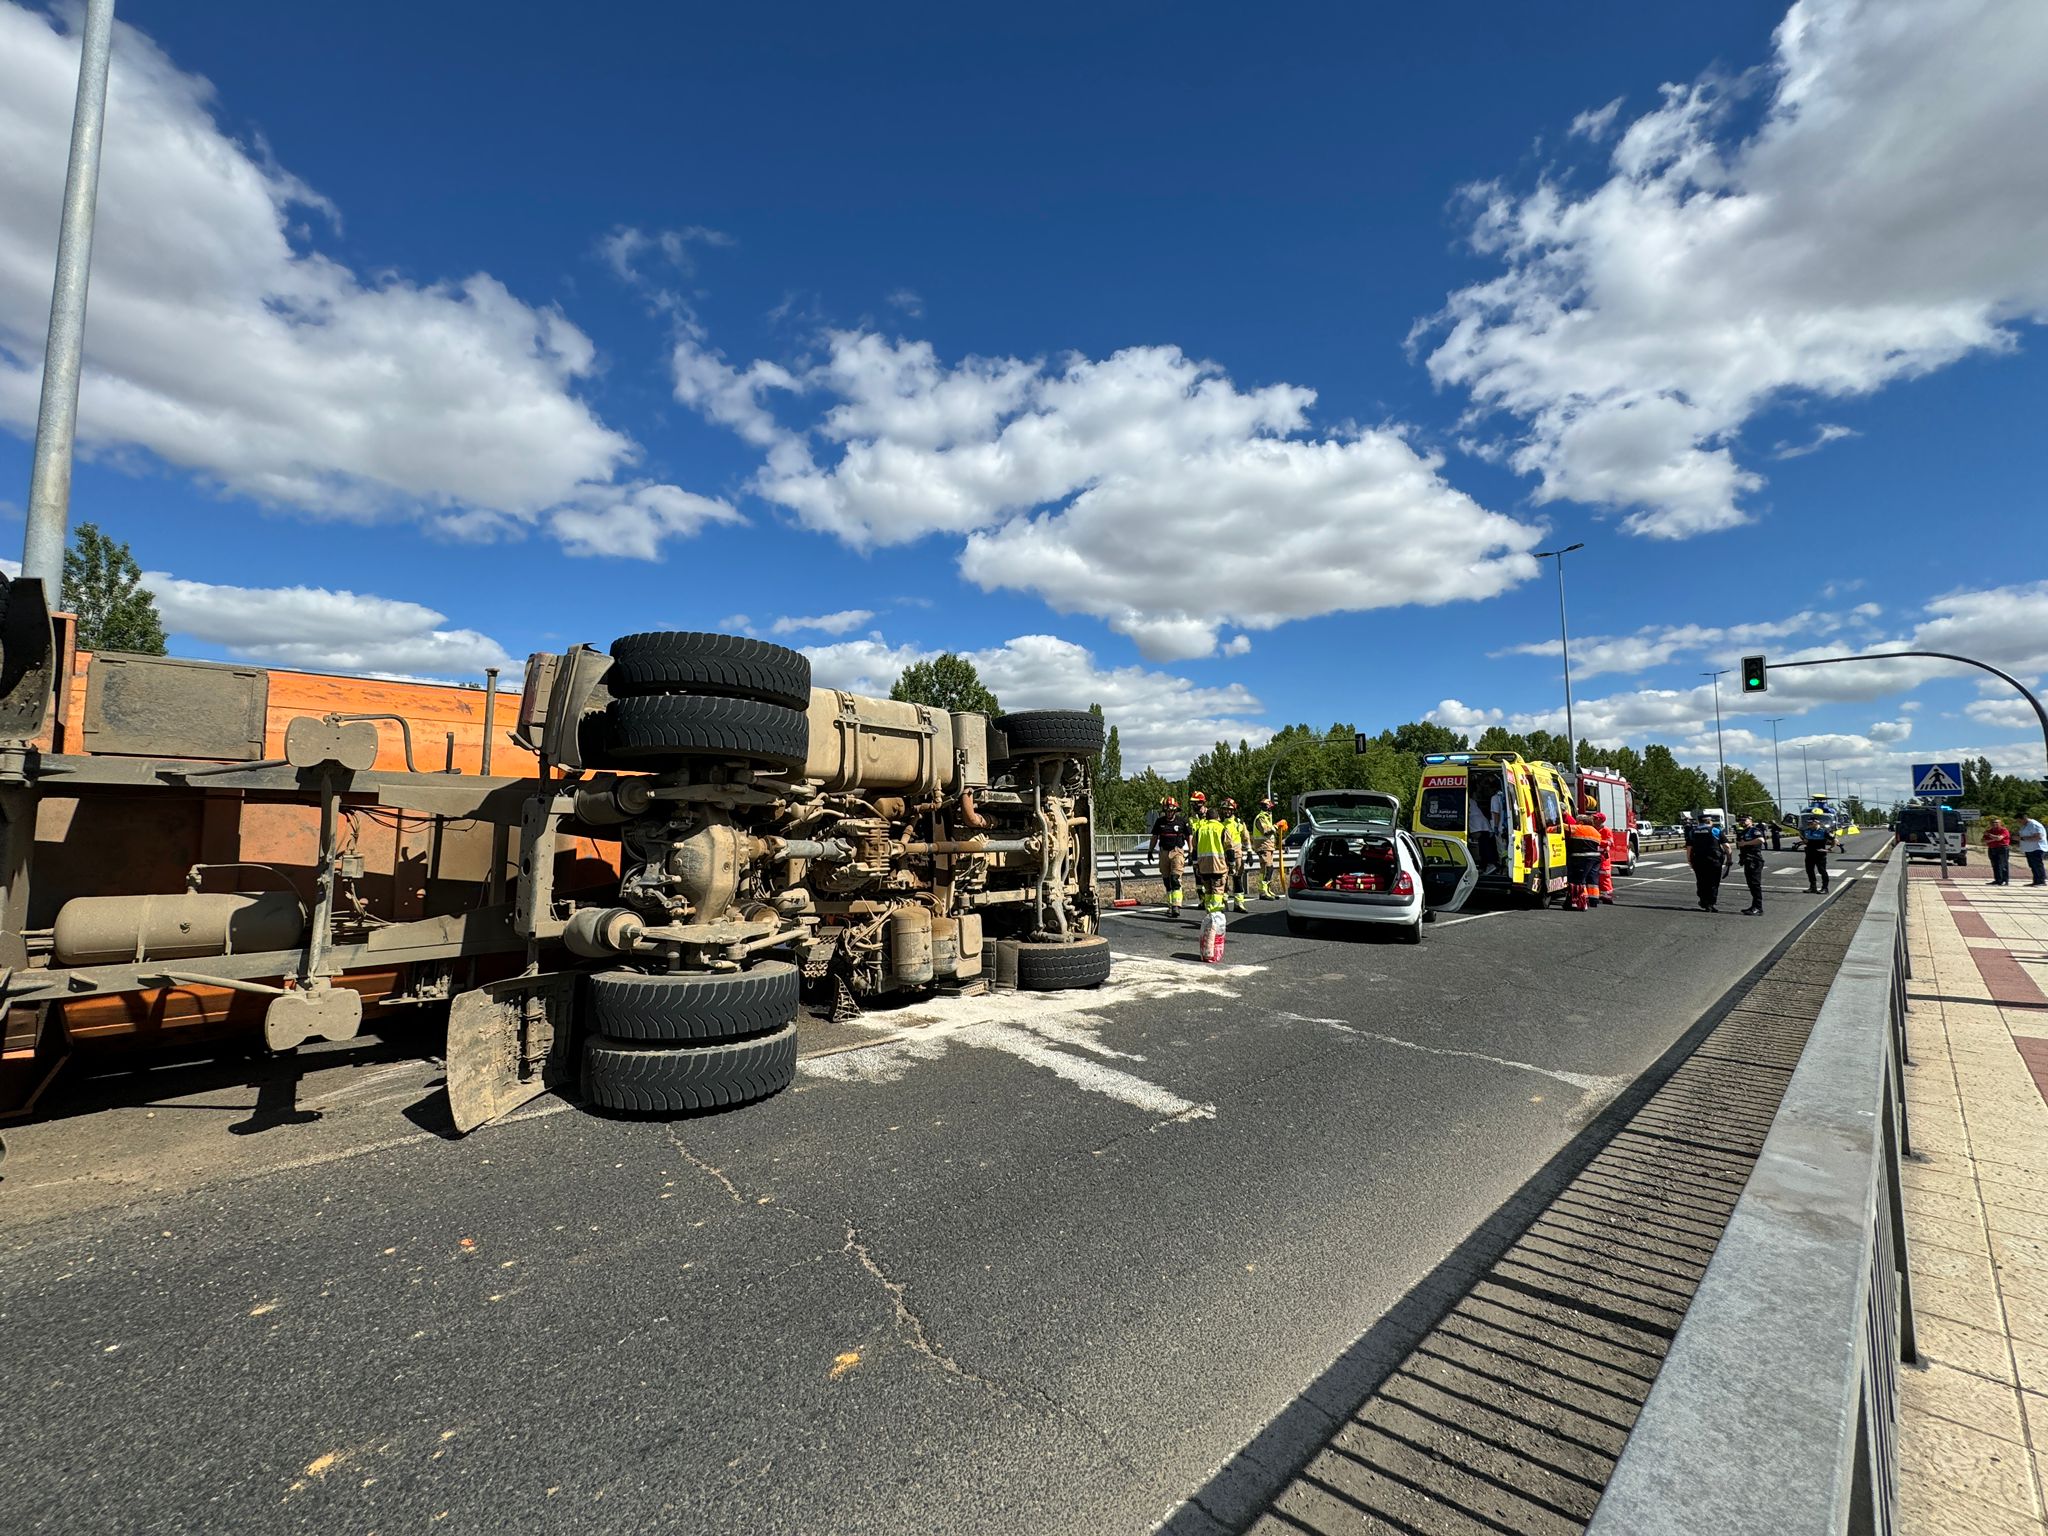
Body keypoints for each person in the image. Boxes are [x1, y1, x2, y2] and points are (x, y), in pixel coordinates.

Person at [1147, 796, 1191, 918]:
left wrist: (1191, 851)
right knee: (1167, 880)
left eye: (1171, 811)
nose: (1169, 813)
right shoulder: (1160, 822)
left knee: (1175, 878)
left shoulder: (1181, 822)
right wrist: (1150, 851)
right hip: (1163, 852)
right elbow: (1155, 837)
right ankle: (1170, 905)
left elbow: (1189, 837)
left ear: (1175, 810)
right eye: (1167, 811)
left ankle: (1176, 905)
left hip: (1177, 851)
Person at [1188, 793, 1229, 919]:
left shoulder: (1207, 822)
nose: (1195, 805)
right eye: (1193, 803)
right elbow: (1191, 837)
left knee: (1213, 886)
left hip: (1208, 860)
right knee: (1210, 886)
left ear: (1203, 803)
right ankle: (1211, 908)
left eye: (1197, 802)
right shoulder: (1192, 819)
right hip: (1210, 860)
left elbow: (1195, 844)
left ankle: (1215, 906)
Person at [1563, 808, 1605, 911]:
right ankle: (1593, 900)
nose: (1576, 823)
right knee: (1592, 880)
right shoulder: (1596, 832)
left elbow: (1561, 827)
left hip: (1582, 857)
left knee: (1578, 880)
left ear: (1581, 822)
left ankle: (1578, 902)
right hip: (1595, 858)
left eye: (1577, 822)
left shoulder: (1578, 828)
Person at [1688, 815, 1729, 911]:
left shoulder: (1693, 831)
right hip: (1714, 861)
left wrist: (1689, 860)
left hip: (1698, 860)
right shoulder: (1715, 830)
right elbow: (1726, 846)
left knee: (1701, 881)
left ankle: (1703, 900)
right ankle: (1710, 903)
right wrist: (1729, 859)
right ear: (1709, 821)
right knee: (1713, 882)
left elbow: (1689, 848)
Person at [1222, 798, 1251, 913]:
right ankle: (1224, 903)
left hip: (1238, 855)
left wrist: (1249, 851)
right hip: (1223, 856)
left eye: (1229, 810)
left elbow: (1246, 838)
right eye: (1225, 810)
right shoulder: (1220, 824)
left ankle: (1239, 903)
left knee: (1238, 879)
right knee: (1224, 880)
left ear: (1233, 810)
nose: (1226, 812)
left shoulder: (1239, 823)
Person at [1736, 815, 1768, 916]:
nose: (1742, 822)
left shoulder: (1754, 830)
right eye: (1740, 820)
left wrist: (1745, 843)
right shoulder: (1743, 832)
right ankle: (1754, 906)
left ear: (1750, 821)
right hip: (1747, 860)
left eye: (1744, 820)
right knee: (1751, 884)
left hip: (1755, 859)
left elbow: (1761, 840)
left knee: (1755, 884)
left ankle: (1758, 907)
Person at [1252, 799, 1281, 899]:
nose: (1271, 810)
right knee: (1266, 868)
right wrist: (1277, 826)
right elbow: (1266, 831)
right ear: (1266, 807)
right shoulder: (1261, 818)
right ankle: (1263, 891)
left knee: (1270, 868)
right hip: (1263, 846)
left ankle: (1267, 889)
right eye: (1270, 807)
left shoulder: (1267, 818)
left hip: (1268, 846)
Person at [1468, 787, 1500, 876]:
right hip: (1482, 824)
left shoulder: (1467, 800)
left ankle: (1491, 863)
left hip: (1478, 825)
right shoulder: (1471, 801)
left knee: (1484, 846)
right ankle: (1484, 866)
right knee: (1483, 845)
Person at [1801, 812, 1835, 893]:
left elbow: (1834, 840)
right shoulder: (1807, 831)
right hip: (1809, 854)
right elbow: (1806, 840)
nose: (1809, 824)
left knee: (1822, 871)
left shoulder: (1823, 831)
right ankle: (1813, 887)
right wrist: (1805, 842)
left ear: (1816, 823)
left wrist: (1829, 849)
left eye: (1811, 823)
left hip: (1820, 854)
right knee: (1809, 871)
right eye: (1808, 823)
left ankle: (1825, 888)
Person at [2020, 812, 2048, 887]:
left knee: (2037, 865)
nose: (2019, 822)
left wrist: (2022, 838)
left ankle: (2041, 881)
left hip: (2037, 848)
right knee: (2032, 865)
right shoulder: (2025, 825)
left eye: (2020, 820)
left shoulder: (2034, 824)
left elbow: (2038, 837)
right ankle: (2036, 881)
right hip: (2029, 849)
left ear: (2024, 818)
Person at [1984, 816, 2012, 887]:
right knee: (1995, 864)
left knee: (2002, 864)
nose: (1994, 824)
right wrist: (1994, 838)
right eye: (1993, 823)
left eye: (1996, 823)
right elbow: (1985, 840)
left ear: (2000, 823)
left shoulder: (2004, 830)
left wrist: (1991, 836)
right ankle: (1997, 879)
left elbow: (1999, 838)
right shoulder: (1989, 831)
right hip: (1992, 848)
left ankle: (2004, 880)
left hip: (2002, 848)